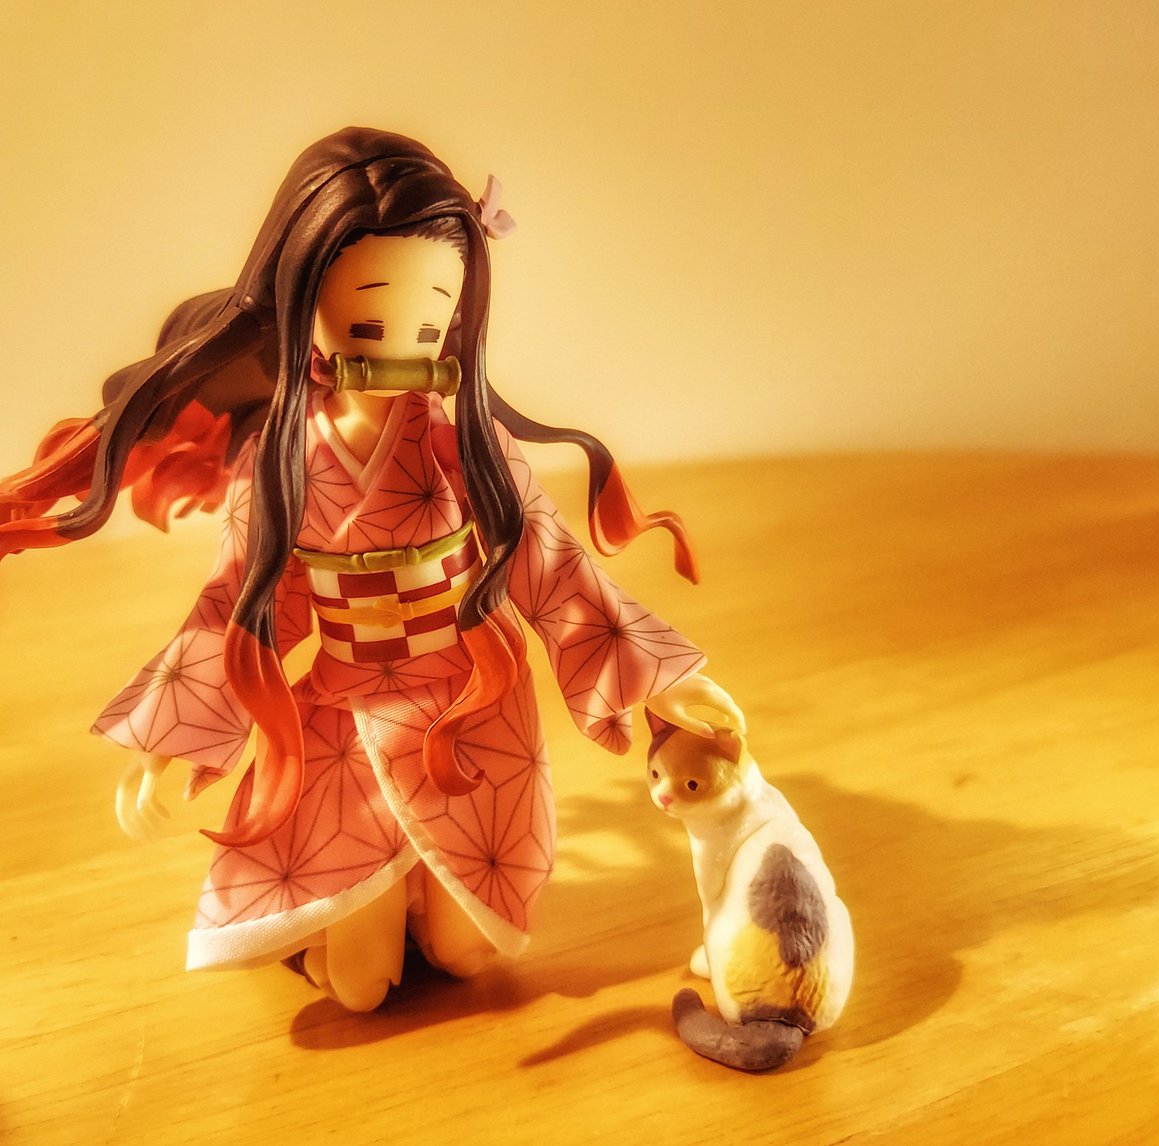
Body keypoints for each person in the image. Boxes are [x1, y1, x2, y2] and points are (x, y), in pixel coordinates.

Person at [0, 128, 743, 1011]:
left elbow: (553, 567)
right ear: (302, 299)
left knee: (467, 956)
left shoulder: (463, 445)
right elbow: (237, 607)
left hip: (468, 708)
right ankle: (355, 909)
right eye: (367, 320)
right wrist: (168, 743)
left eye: (431, 323)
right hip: (348, 713)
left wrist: (662, 683)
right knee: (359, 987)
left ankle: (420, 893)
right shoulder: (283, 462)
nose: (402, 344)